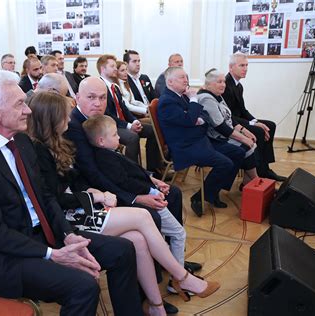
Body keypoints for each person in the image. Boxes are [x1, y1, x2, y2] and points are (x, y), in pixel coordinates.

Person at [0, 70, 143, 316]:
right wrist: (52, 254)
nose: (28, 110)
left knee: (123, 250)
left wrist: (68, 234)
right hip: (3, 257)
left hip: (43, 236)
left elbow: (46, 197)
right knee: (83, 287)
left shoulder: (22, 142)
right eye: (20, 104)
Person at [28, 92, 220, 315]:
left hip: (79, 204)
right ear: (51, 119)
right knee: (143, 216)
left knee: (138, 239)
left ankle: (156, 306)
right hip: (69, 216)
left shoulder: (57, 141)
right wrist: (96, 196)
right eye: (65, 115)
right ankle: (182, 277)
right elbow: (54, 198)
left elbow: (73, 179)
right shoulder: (39, 150)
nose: (69, 120)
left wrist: (90, 191)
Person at [65, 77, 201, 277]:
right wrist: (135, 197)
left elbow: (121, 163)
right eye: (91, 97)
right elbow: (93, 174)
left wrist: (150, 179)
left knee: (174, 193)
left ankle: (172, 258)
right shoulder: (74, 126)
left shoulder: (97, 115)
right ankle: (155, 271)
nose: (98, 103)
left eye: (103, 98)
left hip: (115, 180)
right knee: (153, 213)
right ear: (77, 97)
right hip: (98, 193)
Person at [83, 114, 203, 293]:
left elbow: (135, 172)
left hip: (147, 192)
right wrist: (151, 191)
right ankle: (177, 280)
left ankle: (176, 272)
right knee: (178, 233)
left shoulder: (109, 153)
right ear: (101, 141)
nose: (119, 137)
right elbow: (125, 182)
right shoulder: (105, 158)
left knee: (177, 228)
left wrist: (153, 181)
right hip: (146, 199)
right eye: (115, 134)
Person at [158, 67, 245, 217]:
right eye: (181, 77)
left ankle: (213, 192)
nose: (186, 80)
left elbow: (202, 115)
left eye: (186, 76)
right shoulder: (168, 101)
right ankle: (199, 198)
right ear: (170, 82)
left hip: (198, 140)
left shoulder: (180, 96)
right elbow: (190, 119)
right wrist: (193, 102)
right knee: (225, 163)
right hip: (185, 147)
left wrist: (195, 118)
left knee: (238, 152)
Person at [222, 53, 286, 181]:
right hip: (232, 123)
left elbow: (243, 110)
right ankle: (258, 171)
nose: (245, 68)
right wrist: (253, 125)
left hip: (240, 119)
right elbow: (229, 116)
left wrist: (256, 121)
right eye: (241, 65)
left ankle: (265, 168)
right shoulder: (226, 85)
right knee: (258, 131)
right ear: (231, 67)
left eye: (246, 65)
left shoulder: (238, 85)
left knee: (269, 126)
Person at [97, 54, 161, 175]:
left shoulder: (114, 86)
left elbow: (124, 109)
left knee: (153, 131)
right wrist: (128, 125)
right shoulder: (100, 86)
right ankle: (133, 172)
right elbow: (108, 115)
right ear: (102, 69)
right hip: (109, 125)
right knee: (132, 137)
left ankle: (153, 168)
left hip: (121, 122)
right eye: (112, 66)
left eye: (115, 66)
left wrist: (134, 121)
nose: (115, 69)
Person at [198, 68, 259, 188]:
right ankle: (254, 181)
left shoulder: (217, 96)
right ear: (209, 84)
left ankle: (251, 181)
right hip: (213, 138)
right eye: (219, 82)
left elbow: (230, 118)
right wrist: (243, 138)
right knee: (245, 147)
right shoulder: (206, 98)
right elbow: (221, 127)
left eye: (224, 81)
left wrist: (244, 131)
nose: (223, 85)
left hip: (222, 135)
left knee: (251, 143)